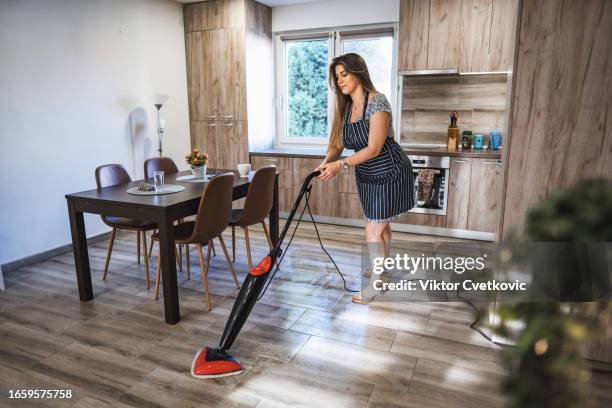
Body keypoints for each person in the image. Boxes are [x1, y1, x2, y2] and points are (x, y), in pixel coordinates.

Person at [317, 53, 415, 303]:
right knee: (380, 223)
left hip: (391, 172)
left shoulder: (377, 102)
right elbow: (337, 144)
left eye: (344, 74)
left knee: (373, 227)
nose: (340, 81)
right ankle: (382, 265)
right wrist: (327, 161)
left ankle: (375, 285)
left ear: (358, 73)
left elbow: (374, 148)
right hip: (367, 174)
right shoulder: (345, 107)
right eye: (337, 77)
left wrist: (341, 165)